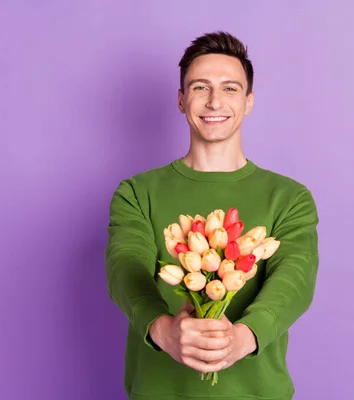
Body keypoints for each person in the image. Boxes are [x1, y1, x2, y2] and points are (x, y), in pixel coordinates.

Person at [105, 31, 320, 400]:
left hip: (257, 393)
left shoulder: (289, 198)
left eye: (230, 88)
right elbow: (125, 267)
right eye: (200, 87)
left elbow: (294, 282)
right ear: (180, 99)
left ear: (249, 101)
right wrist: (163, 331)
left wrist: (243, 338)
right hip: (158, 391)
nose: (214, 101)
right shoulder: (137, 193)